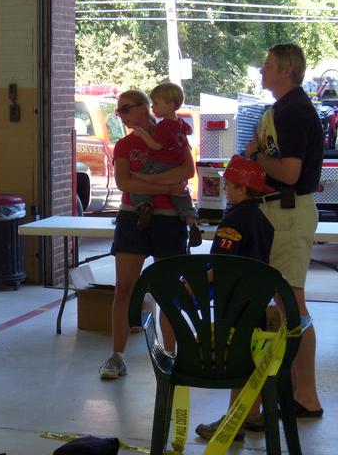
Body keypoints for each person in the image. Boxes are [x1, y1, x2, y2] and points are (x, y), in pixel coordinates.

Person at [244, 43, 324, 417]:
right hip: (271, 210)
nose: (262, 70)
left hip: (289, 211)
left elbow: (289, 173)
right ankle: (288, 388)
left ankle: (306, 395)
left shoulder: (295, 111)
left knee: (291, 302)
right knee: (278, 303)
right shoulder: (275, 111)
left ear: (287, 70)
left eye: (268, 65)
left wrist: (258, 158)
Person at [99, 90, 195, 379]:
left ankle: (170, 354)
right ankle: (117, 356)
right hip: (133, 217)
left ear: (145, 108)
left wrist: (148, 180)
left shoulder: (174, 135)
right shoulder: (125, 144)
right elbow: (124, 182)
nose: (123, 116)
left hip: (169, 221)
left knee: (167, 290)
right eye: (119, 112)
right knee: (124, 288)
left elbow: (188, 170)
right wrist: (166, 187)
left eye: (127, 109)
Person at [194, 154, 275, 441]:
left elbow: (221, 266)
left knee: (239, 361)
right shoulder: (262, 220)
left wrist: (191, 284)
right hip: (258, 303)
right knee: (253, 360)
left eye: (229, 185)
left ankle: (233, 421)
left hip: (236, 306)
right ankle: (252, 414)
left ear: (242, 188)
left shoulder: (234, 221)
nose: (226, 189)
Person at [129, 82, 201, 247]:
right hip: (176, 166)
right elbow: (188, 131)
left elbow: (156, 145)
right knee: (181, 196)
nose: (153, 107)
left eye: (156, 104)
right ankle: (192, 223)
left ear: (170, 105)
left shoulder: (164, 126)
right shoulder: (180, 123)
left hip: (160, 163)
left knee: (138, 183)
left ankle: (144, 205)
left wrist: (142, 134)